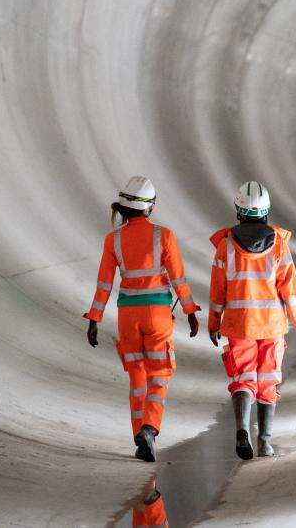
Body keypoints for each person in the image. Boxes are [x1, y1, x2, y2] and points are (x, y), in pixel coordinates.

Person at [84, 176, 199, 462]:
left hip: (128, 315)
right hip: (158, 313)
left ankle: (139, 437)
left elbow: (104, 284)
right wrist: (189, 311)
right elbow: (178, 278)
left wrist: (94, 318)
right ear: (149, 208)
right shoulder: (164, 236)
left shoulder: (114, 239)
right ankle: (150, 427)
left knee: (137, 376)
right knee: (159, 374)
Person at [207, 181, 296, 460]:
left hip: (239, 325)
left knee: (242, 379)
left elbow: (218, 289)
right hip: (272, 325)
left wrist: (213, 321)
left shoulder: (225, 246)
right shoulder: (278, 245)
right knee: (268, 381)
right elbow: (290, 287)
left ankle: (242, 429)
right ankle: (264, 441)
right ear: (267, 211)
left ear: (238, 210)